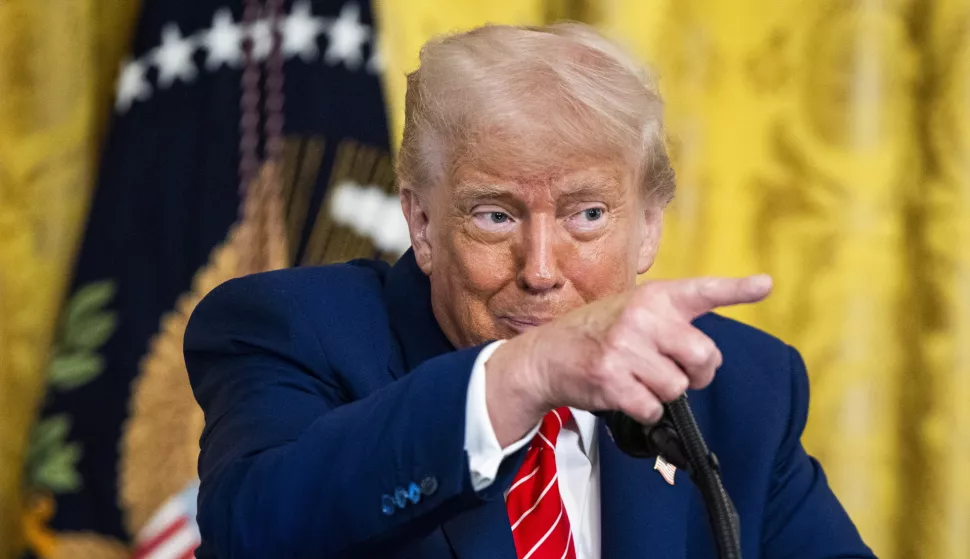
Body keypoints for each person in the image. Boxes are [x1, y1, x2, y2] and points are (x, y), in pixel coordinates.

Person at [184, 23, 874, 559]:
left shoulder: (734, 384)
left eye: (587, 215)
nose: (541, 270)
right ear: (421, 223)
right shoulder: (291, 329)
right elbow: (252, 533)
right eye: (495, 216)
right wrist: (521, 376)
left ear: (648, 227)